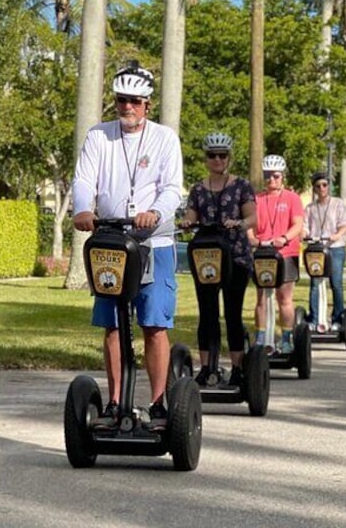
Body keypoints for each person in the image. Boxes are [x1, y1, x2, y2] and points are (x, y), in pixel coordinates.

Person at [73, 61, 183, 431]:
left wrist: (155, 212)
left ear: (147, 104)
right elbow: (84, 179)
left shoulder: (164, 138)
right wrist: (84, 209)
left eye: (134, 101)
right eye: (121, 100)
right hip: (111, 241)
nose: (127, 108)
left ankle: (157, 404)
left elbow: (172, 188)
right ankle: (116, 402)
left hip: (155, 242)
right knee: (113, 325)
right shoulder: (98, 136)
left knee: (153, 324)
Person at [180, 132, 256, 387]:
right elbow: (191, 214)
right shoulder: (198, 189)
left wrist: (239, 223)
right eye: (212, 155)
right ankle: (206, 368)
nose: (217, 160)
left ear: (229, 158)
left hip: (235, 256)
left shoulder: (242, 186)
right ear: (206, 158)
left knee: (233, 314)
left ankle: (237, 368)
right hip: (207, 257)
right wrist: (188, 221)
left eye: (222, 155)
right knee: (208, 313)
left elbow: (252, 218)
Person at [246, 155, 304, 354]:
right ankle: (262, 337)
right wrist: (252, 239)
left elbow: (298, 224)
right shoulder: (256, 199)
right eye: (268, 176)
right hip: (263, 254)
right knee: (261, 297)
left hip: (286, 253)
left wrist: (285, 238)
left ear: (283, 177)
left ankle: (286, 339)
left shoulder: (292, 198)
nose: (272, 180)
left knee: (284, 298)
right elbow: (249, 226)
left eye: (276, 176)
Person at [303, 173, 346, 331]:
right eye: (318, 186)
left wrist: (337, 235)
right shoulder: (310, 208)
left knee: (336, 283)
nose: (321, 188)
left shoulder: (338, 204)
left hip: (335, 248)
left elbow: (345, 224)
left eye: (324, 185)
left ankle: (337, 318)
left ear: (329, 186)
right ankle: (314, 319)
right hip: (316, 249)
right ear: (314, 189)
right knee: (315, 283)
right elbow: (304, 227)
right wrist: (304, 234)